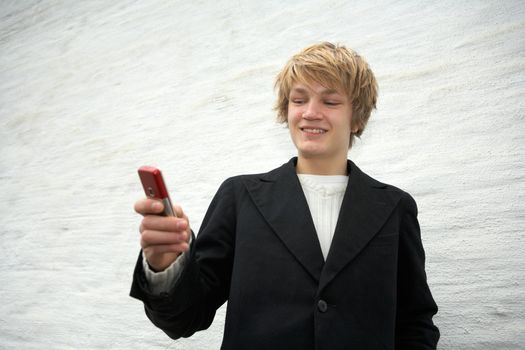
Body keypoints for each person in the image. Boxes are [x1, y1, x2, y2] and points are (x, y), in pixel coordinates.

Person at [130, 42, 440, 349]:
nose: (310, 112)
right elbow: (186, 317)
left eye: (330, 102)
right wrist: (164, 265)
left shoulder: (395, 207)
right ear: (286, 110)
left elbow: (414, 322)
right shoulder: (240, 197)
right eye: (298, 100)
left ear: (357, 119)